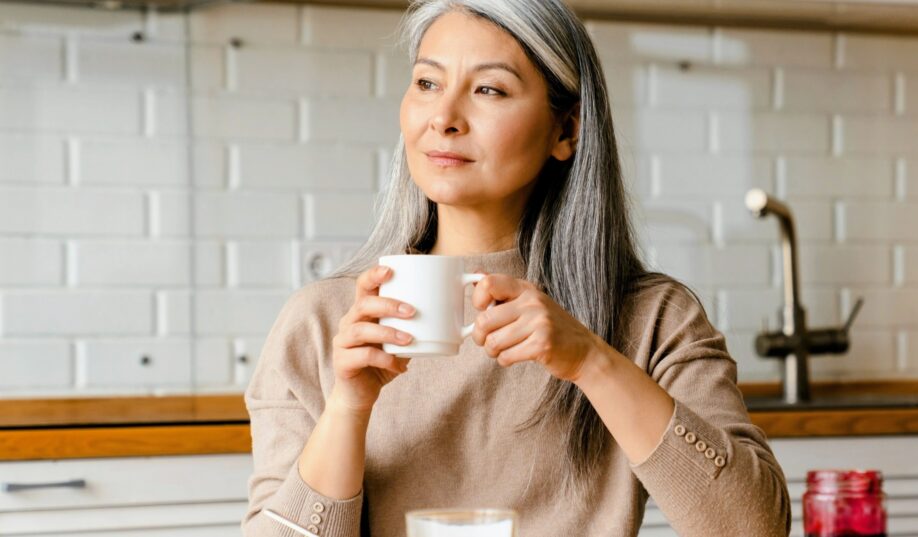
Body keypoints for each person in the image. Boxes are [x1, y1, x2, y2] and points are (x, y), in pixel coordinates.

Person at [242, 0, 791, 535]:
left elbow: (755, 527)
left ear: (565, 132)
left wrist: (592, 362)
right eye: (428, 83)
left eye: (489, 89)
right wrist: (349, 405)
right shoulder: (325, 323)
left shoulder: (651, 317)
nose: (444, 118)